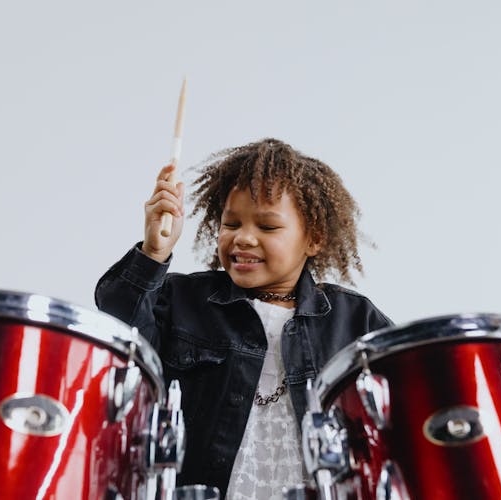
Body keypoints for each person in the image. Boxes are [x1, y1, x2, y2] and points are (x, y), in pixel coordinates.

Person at [94, 138, 392, 499]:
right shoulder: (184, 300)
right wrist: (153, 254)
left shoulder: (354, 320)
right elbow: (119, 331)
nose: (243, 238)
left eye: (267, 227)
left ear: (313, 238)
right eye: (230, 223)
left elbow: (402, 416)